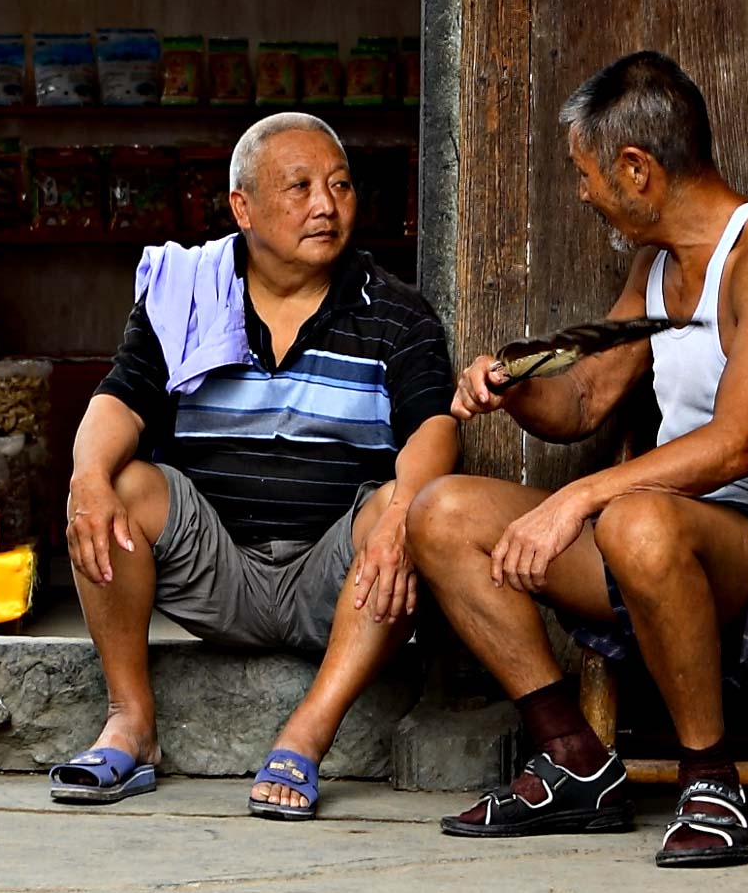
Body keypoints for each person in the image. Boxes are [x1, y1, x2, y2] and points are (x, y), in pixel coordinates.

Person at [406, 51, 748, 867]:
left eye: (587, 174)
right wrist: (509, 385)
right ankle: (576, 764)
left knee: (637, 520)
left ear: (636, 168)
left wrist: (577, 499)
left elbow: (735, 444)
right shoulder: (657, 265)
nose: (583, 193)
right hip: (659, 533)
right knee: (440, 514)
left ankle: (712, 788)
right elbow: (584, 401)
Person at [51, 112, 458, 819]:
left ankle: (307, 731)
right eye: (299, 187)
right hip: (219, 569)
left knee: (410, 507)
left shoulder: (394, 311)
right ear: (243, 206)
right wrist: (84, 482)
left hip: (333, 577)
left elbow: (434, 426)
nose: (326, 206)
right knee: (119, 485)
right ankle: (131, 721)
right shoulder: (186, 296)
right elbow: (117, 402)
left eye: (339, 185)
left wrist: (400, 515)